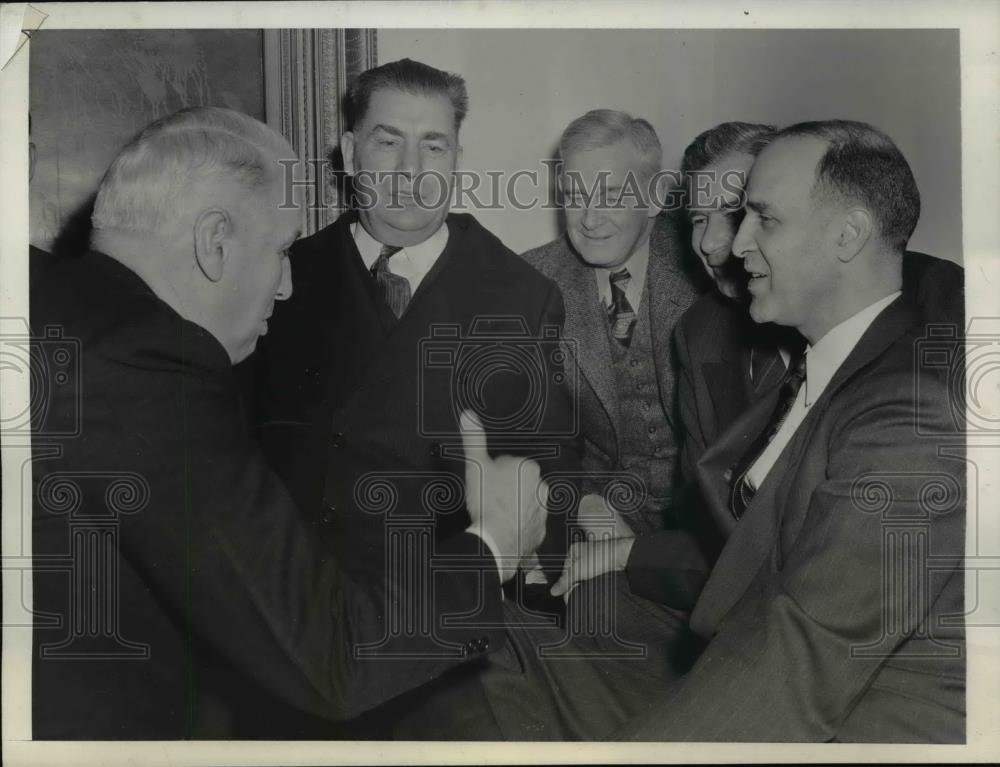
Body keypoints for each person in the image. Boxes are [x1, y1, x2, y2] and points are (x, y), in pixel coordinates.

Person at [30, 106, 550, 739]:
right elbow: (331, 659)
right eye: (280, 251)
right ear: (214, 241)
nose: (285, 287)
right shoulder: (150, 365)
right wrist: (494, 544)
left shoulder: (41, 296)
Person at [248, 58, 579, 735]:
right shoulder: (280, 276)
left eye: (434, 144)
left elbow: (549, 478)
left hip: (434, 643)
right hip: (289, 629)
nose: (410, 169)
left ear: (457, 156)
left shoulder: (519, 297)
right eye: (387, 140)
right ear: (348, 152)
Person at [615, 120, 965, 741]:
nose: (724, 243)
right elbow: (726, 536)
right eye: (706, 218)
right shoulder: (771, 349)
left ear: (849, 233)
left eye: (759, 217)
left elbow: (812, 646)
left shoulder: (915, 389)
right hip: (757, 643)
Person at [522, 109, 701, 537]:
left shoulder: (710, 264)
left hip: (707, 524)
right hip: (594, 517)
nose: (588, 218)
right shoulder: (530, 283)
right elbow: (525, 431)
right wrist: (584, 501)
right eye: (574, 194)